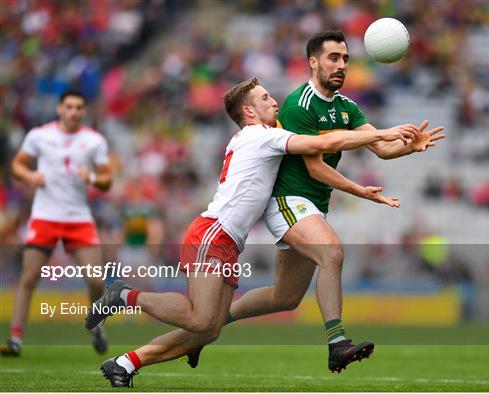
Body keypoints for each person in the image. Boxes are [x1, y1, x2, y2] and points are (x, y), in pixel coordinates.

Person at [85, 77, 416, 388]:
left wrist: (397, 148)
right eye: (265, 98)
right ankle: (124, 295)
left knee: (210, 329)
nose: (274, 102)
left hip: (229, 241)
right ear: (248, 111)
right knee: (201, 321)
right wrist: (383, 133)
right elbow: (328, 142)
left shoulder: (256, 138)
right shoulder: (261, 136)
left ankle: (124, 364)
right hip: (213, 233)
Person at [189, 30, 445, 373]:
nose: (341, 66)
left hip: (311, 207)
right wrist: (358, 189)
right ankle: (337, 343)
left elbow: (381, 148)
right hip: (287, 199)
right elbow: (314, 167)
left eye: (345, 60)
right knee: (332, 253)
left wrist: (408, 147)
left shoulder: (347, 107)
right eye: (333, 58)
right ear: (313, 62)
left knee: (285, 297)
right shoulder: (299, 104)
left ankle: (208, 329)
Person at [1, 90, 113, 356]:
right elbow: (16, 165)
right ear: (59, 109)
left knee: (96, 280)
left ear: (84, 111)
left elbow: (107, 179)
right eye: (69, 107)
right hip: (45, 216)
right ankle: (16, 338)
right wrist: (29, 176)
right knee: (28, 277)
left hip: (78, 218)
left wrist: (93, 178)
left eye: (78, 107)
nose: (73, 112)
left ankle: (96, 325)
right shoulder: (40, 136)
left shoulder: (94, 141)